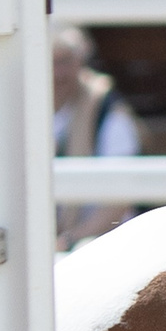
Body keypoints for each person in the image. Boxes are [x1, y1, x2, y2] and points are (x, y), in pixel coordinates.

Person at [52, 22, 140, 249]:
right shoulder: (21, 109)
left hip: (100, 239)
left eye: (65, 62)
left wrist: (71, 239)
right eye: (51, 63)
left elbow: (120, 199)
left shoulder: (107, 109)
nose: (57, 73)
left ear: (80, 62)